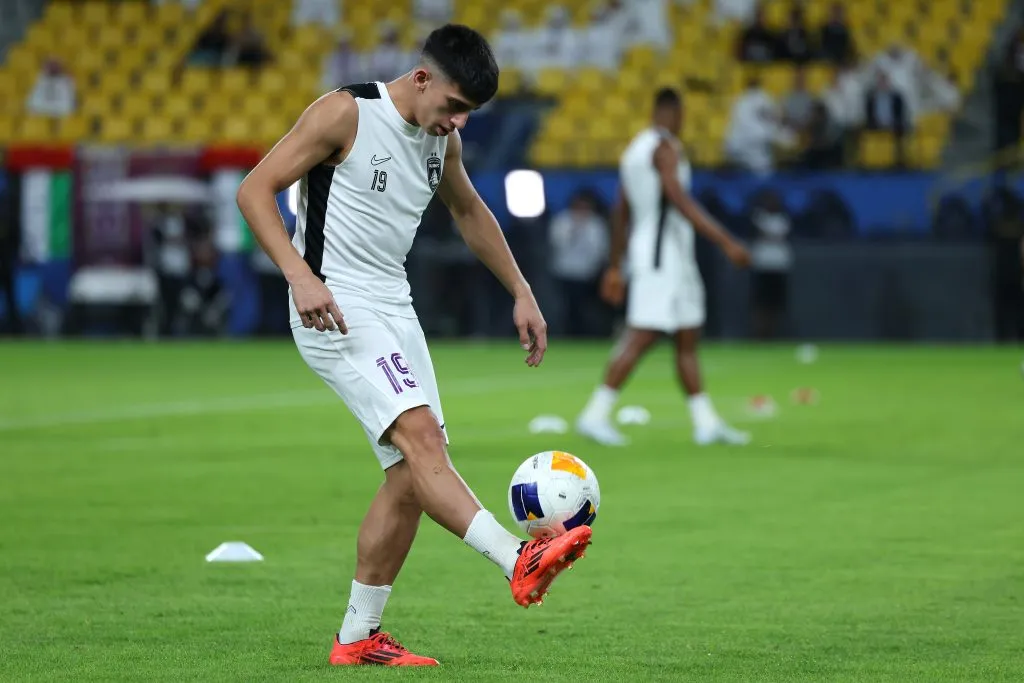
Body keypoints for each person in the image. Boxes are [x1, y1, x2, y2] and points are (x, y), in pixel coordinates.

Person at [235, 24, 592, 668]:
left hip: (393, 307)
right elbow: (254, 190)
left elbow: (468, 211)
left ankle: (356, 636)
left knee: (409, 476)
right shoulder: (344, 112)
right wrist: (299, 275)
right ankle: (519, 559)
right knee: (423, 441)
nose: (457, 123)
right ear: (422, 78)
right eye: (454, 106)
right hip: (335, 307)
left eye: (467, 115)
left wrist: (521, 289)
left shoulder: (440, 140)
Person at [575, 87, 752, 447]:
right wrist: (725, 240)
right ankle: (594, 415)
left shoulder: (635, 150)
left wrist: (614, 266)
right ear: (672, 112)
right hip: (662, 257)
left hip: (666, 256)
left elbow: (620, 209)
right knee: (643, 334)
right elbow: (678, 198)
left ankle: (706, 424)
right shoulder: (664, 147)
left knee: (687, 335)